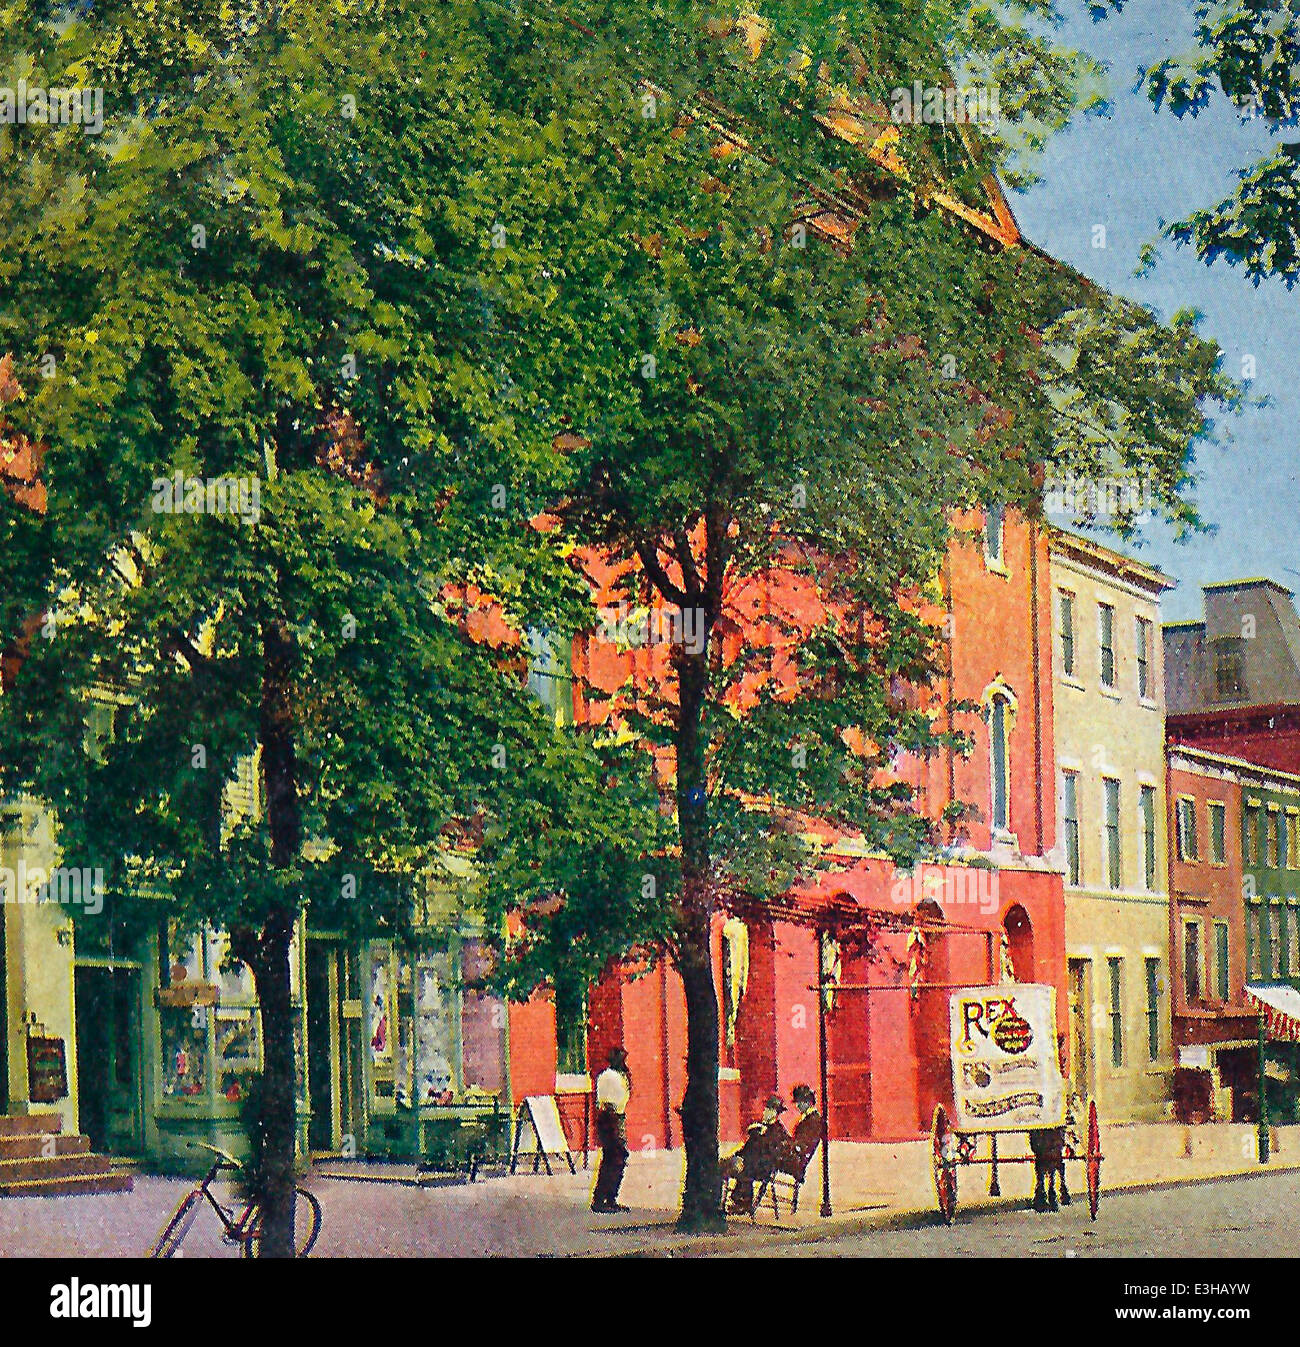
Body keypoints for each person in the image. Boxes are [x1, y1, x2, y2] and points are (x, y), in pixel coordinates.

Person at [721, 1093, 790, 1214]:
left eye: (769, 1109)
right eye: (766, 1109)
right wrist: (738, 1155)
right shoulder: (761, 1128)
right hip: (749, 1162)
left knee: (738, 1168)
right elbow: (748, 1148)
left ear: (775, 1113)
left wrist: (761, 1135)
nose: (766, 1112)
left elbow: (771, 1153)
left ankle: (742, 1203)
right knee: (724, 1165)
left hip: (762, 1168)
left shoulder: (778, 1131)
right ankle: (727, 1201)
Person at [591, 1047, 631, 1213]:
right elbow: (609, 1103)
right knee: (616, 1157)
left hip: (613, 1117)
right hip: (611, 1118)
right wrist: (615, 1126)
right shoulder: (610, 1077)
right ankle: (604, 1198)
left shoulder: (614, 1076)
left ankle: (606, 1197)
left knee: (613, 1157)